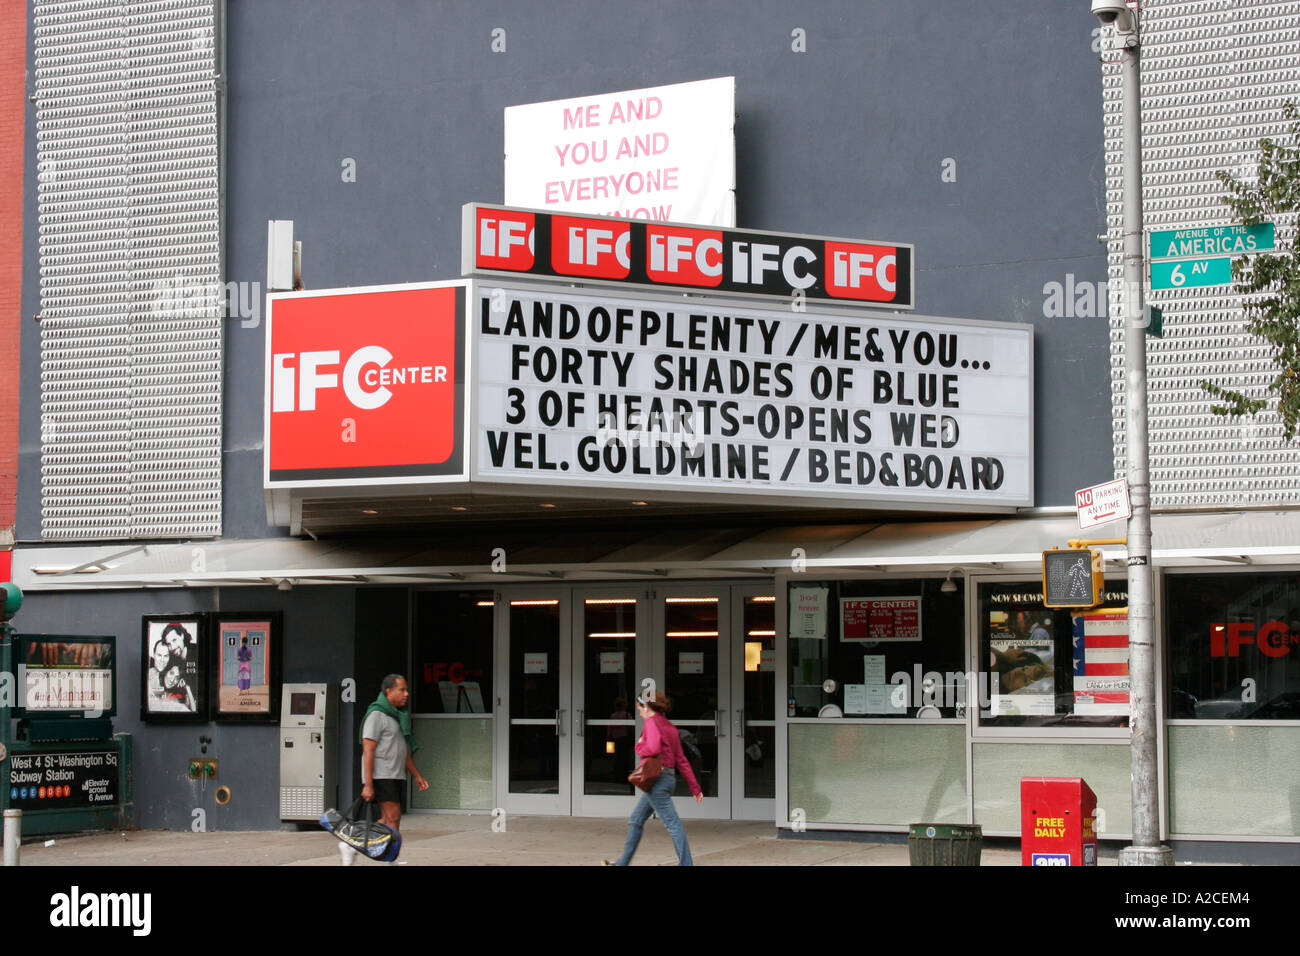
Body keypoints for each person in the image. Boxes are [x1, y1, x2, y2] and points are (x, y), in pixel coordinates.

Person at [603, 691, 702, 866]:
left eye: (639, 708)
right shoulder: (670, 727)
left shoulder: (651, 722)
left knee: (672, 823)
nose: (639, 712)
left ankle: (687, 864)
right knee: (636, 820)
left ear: (645, 706)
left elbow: (653, 747)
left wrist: (639, 746)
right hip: (666, 780)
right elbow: (682, 760)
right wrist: (695, 788)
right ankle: (621, 863)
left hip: (657, 781)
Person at [348, 674, 428, 865]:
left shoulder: (397, 716)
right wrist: (368, 784)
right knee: (393, 818)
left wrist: (417, 776)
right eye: (402, 690)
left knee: (389, 819)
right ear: (388, 691)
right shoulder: (376, 715)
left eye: (407, 690)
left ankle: (353, 845)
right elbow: (368, 750)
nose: (406, 694)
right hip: (381, 774)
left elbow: (403, 751)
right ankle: (389, 858)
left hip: (395, 774)